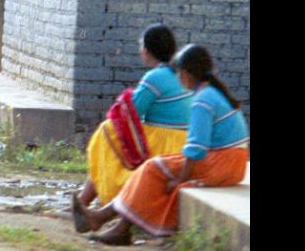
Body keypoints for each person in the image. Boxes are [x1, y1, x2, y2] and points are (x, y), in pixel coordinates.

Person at [74, 44, 249, 245]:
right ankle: (113, 224)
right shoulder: (210, 92)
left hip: (222, 163)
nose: (177, 78)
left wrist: (180, 178)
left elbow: (197, 148)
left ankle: (108, 221)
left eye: (179, 73)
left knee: (152, 169)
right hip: (230, 161)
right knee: (153, 167)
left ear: (186, 74)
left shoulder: (203, 100)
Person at [73, 23, 192, 230]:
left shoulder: (155, 77)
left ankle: (85, 200)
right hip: (183, 140)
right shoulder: (179, 73)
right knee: (110, 134)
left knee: (107, 132)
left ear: (146, 50)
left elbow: (132, 112)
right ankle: (86, 202)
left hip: (166, 141)